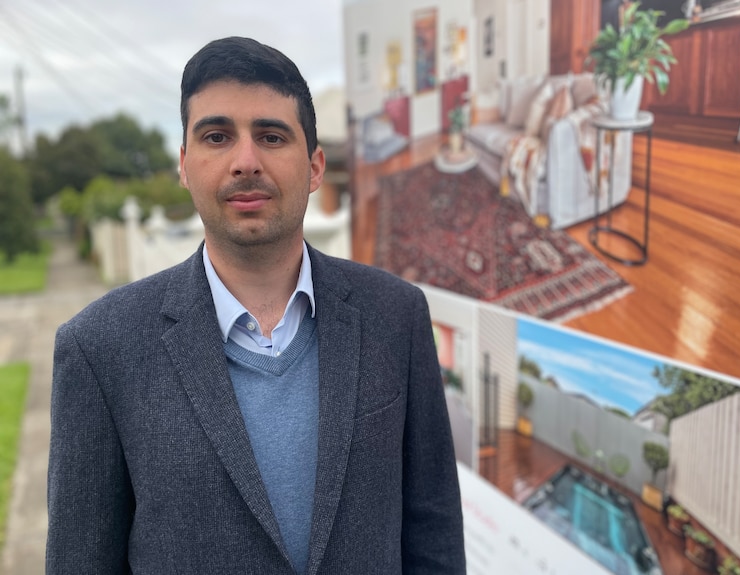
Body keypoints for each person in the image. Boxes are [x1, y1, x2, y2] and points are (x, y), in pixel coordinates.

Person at [46, 36, 466, 575]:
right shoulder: (99, 348)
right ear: (184, 165)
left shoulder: (396, 316)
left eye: (271, 136)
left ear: (315, 167)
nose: (245, 162)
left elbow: (433, 530)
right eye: (217, 137)